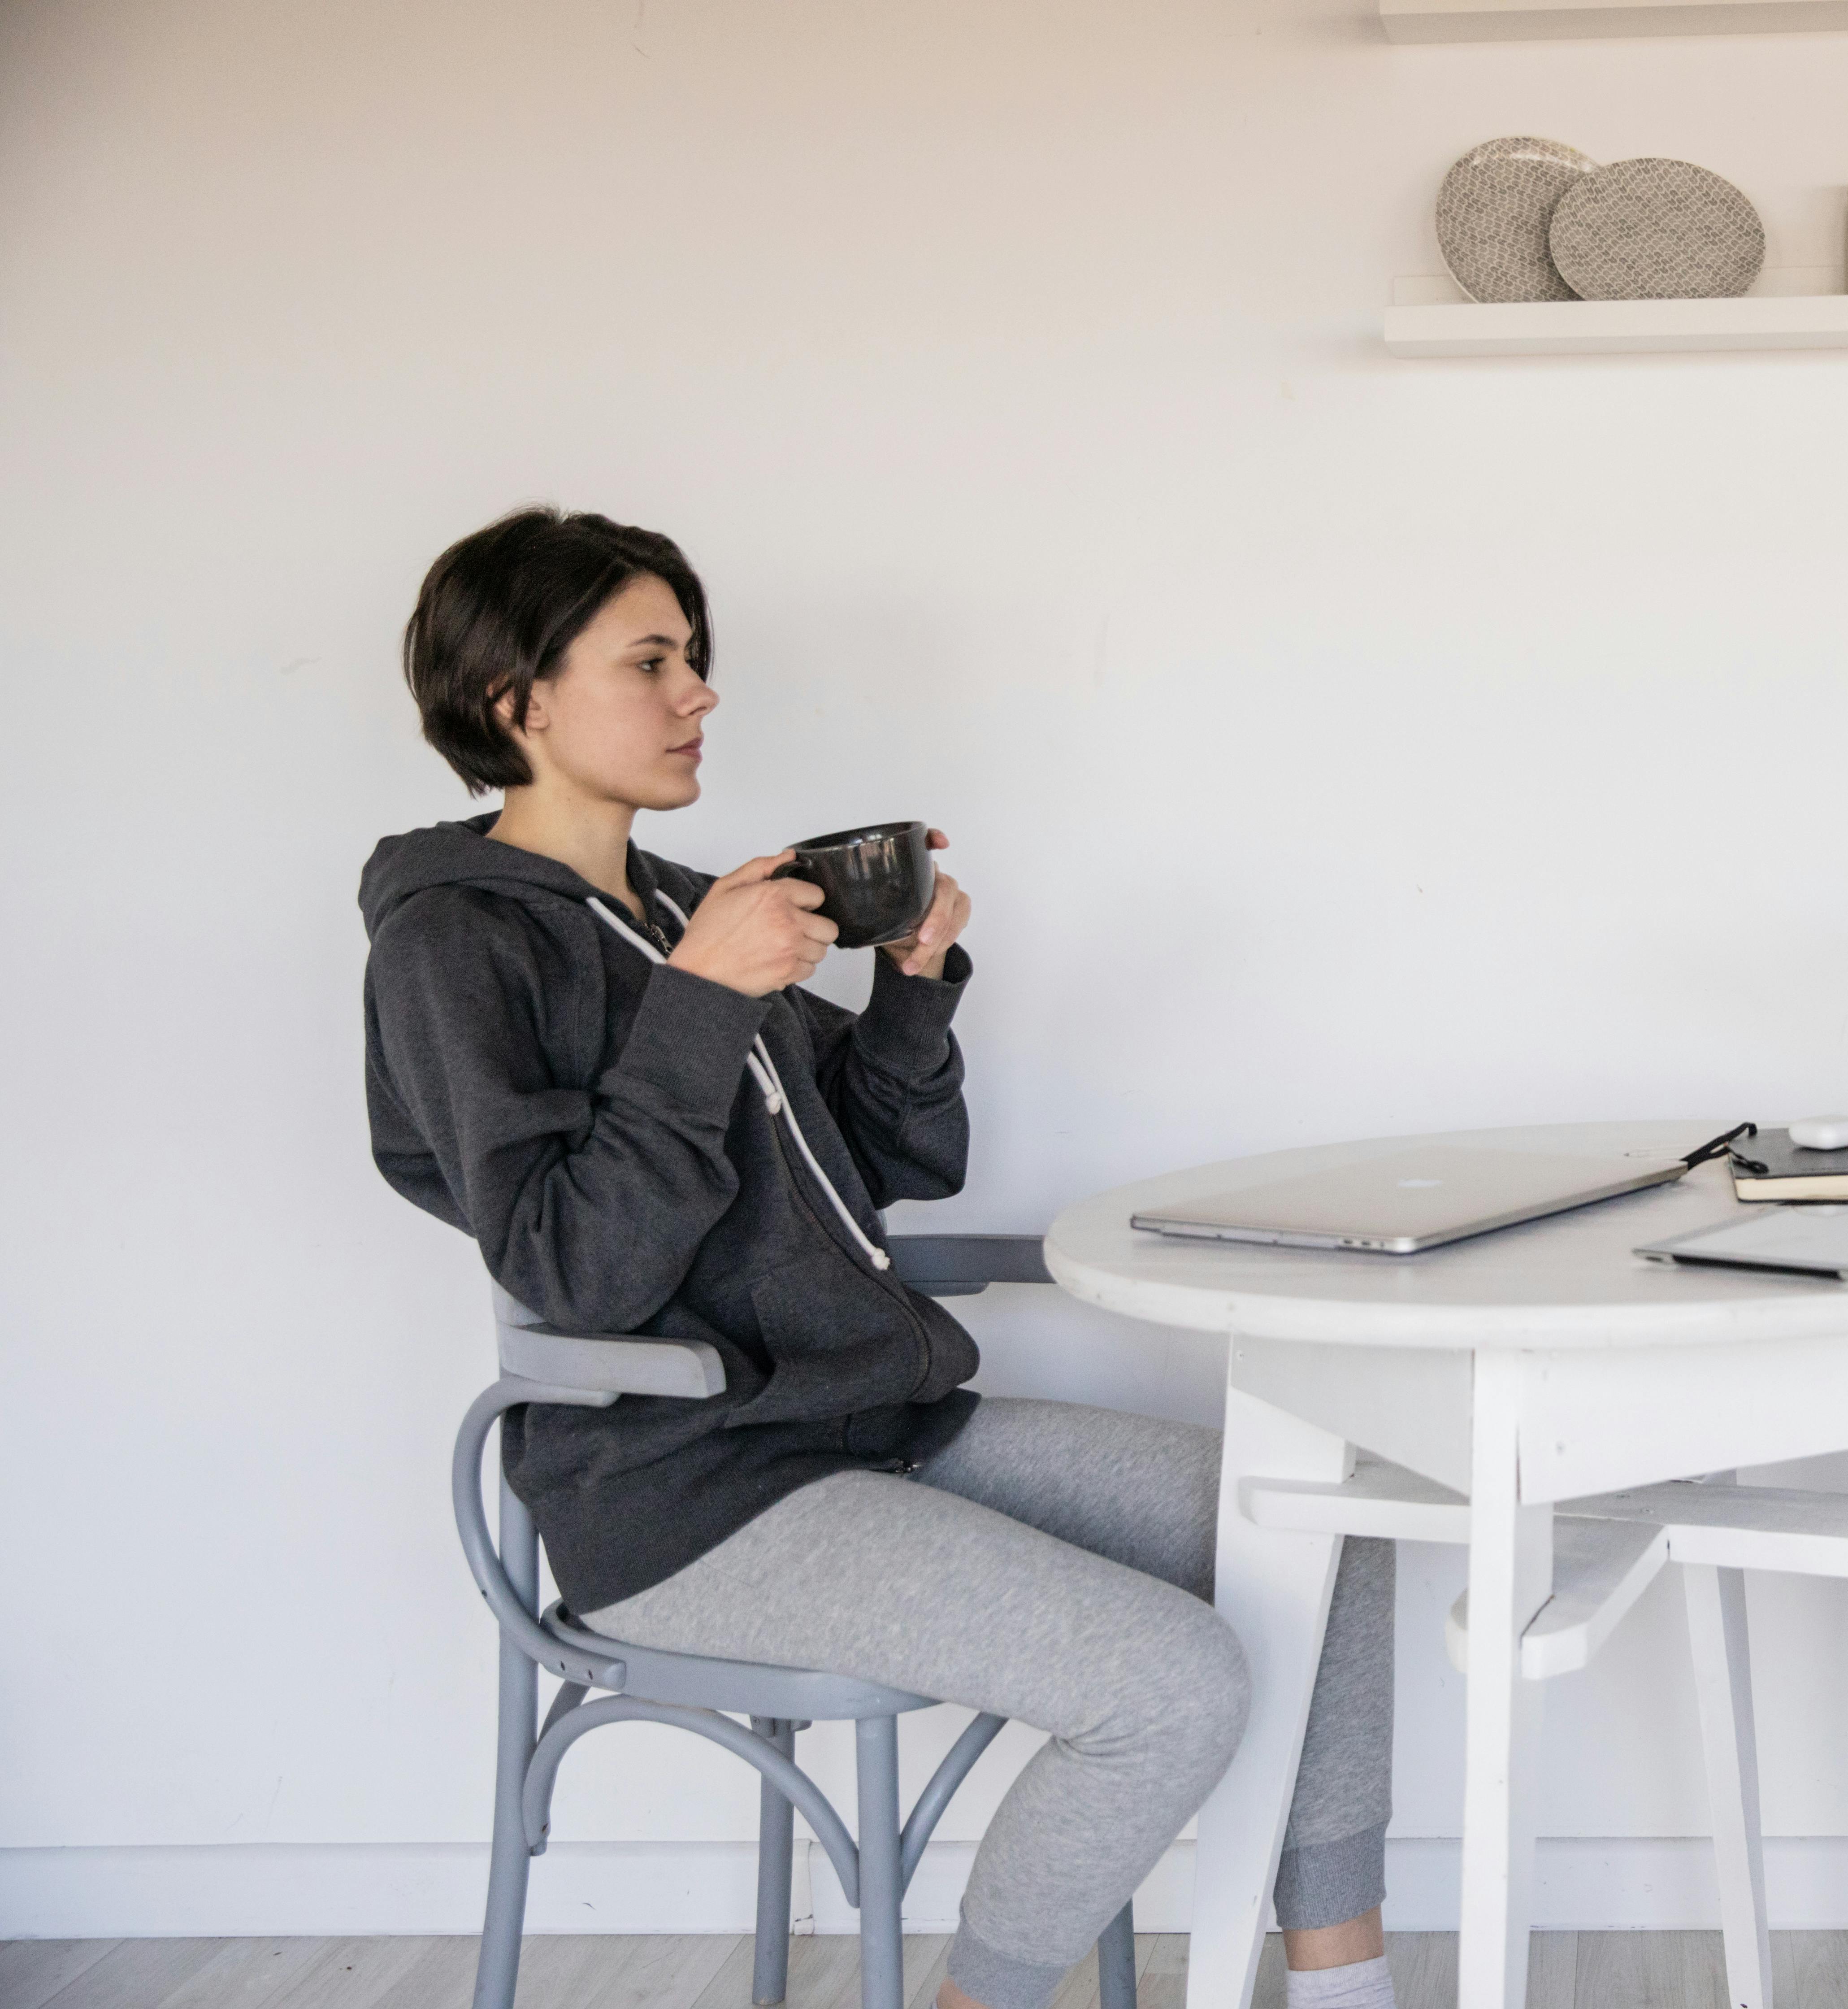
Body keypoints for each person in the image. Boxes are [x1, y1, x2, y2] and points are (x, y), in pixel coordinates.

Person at [361, 509, 1397, 2009]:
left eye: (696, 660)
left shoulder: (676, 907)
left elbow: (889, 1163)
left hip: (877, 1428)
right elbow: (573, 1266)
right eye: (650, 661)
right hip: (689, 1493)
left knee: (1331, 1537)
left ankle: (1341, 1987)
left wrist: (909, 989)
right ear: (519, 701)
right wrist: (705, 1000)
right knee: (1171, 1681)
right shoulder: (456, 945)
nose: (699, 692)